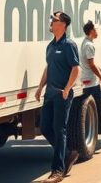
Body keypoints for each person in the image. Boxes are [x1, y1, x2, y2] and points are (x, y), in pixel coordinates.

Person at [34, 11, 80, 183]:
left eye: (54, 19)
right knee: (45, 128)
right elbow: (48, 68)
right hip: (49, 94)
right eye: (51, 19)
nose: (51, 22)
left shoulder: (69, 45)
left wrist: (68, 88)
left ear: (63, 25)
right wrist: (40, 88)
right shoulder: (50, 46)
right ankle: (68, 154)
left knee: (59, 130)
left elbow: (76, 69)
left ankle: (57, 171)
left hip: (62, 94)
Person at [80, 20, 101, 135]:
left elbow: (92, 63)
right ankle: (93, 134)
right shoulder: (89, 45)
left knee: (91, 110)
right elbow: (91, 64)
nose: (97, 31)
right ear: (91, 31)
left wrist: (100, 72)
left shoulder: (86, 43)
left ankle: (92, 134)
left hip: (88, 81)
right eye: (96, 29)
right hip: (91, 83)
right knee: (95, 111)